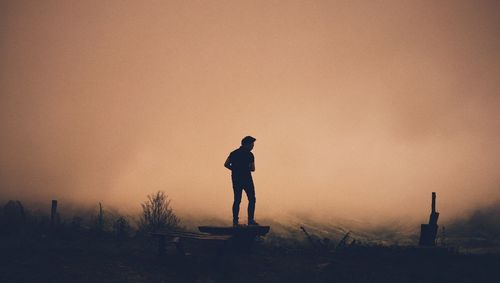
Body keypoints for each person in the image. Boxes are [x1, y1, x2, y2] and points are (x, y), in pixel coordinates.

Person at [224, 136, 259, 226]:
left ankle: (235, 221)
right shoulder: (250, 155)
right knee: (251, 199)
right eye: (252, 144)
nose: (253, 146)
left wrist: (234, 169)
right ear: (247, 144)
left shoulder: (233, 153)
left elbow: (226, 164)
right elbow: (253, 168)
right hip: (247, 178)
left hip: (236, 178)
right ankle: (250, 220)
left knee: (237, 199)